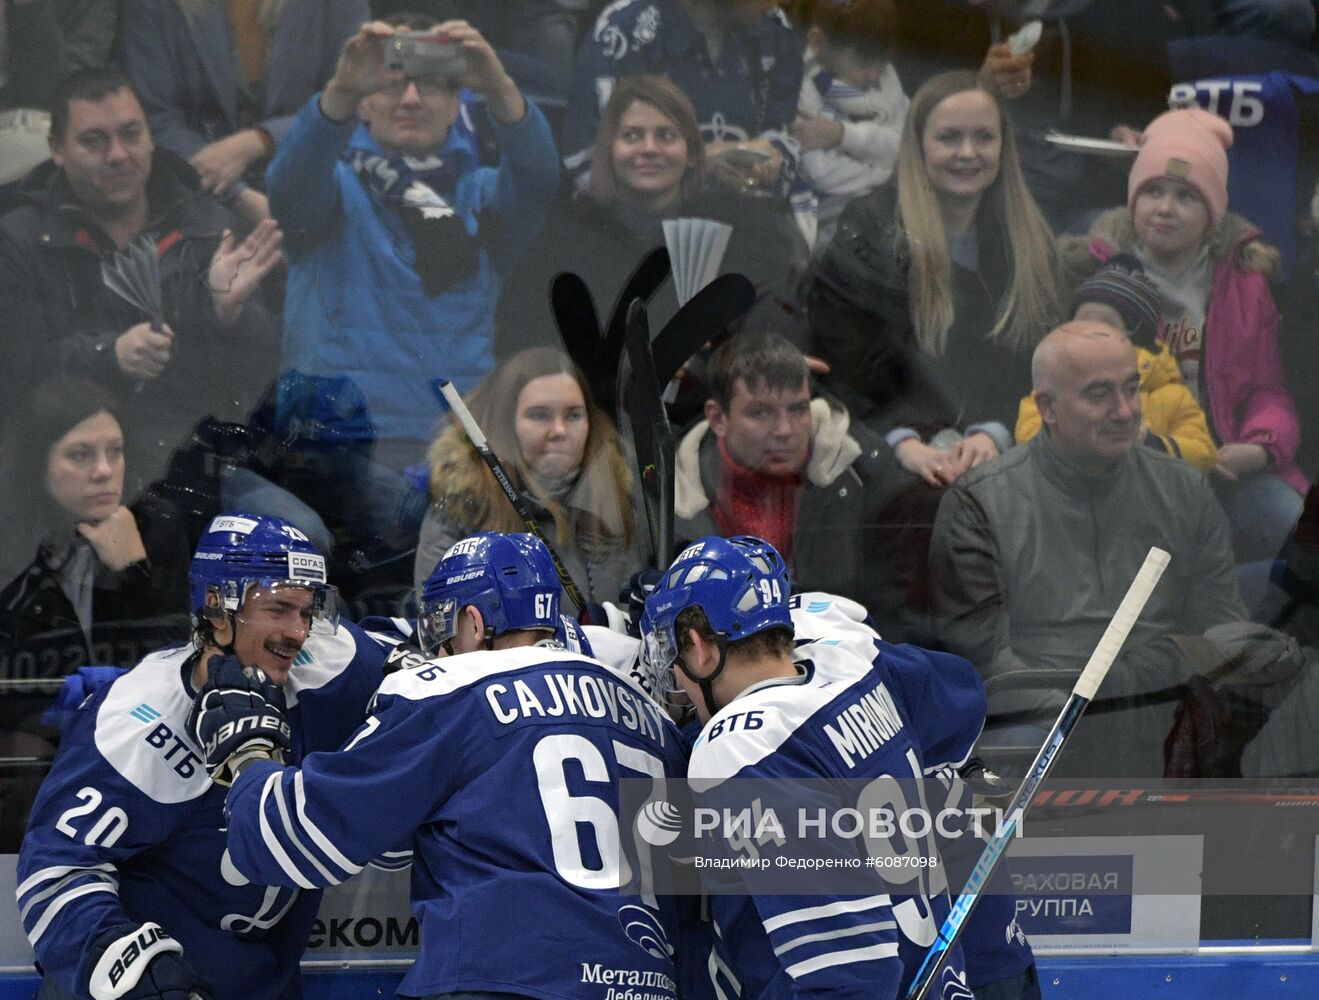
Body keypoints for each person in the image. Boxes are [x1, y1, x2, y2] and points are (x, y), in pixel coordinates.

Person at [201, 531, 688, 1000]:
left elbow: (297, 834)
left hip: (499, 979)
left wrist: (249, 756)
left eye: (441, 625)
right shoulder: (655, 720)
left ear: (473, 622)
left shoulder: (449, 688)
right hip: (650, 982)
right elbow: (711, 896)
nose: (437, 647)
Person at [16, 512, 397, 1000]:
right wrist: (128, 968)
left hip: (268, 981)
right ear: (217, 608)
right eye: (279, 609)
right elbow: (55, 870)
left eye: (307, 611)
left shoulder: (325, 662)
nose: (299, 632)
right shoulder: (137, 717)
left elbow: (422, 662)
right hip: (169, 980)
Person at [638, 534, 981, 1000]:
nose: (675, 677)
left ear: (699, 647)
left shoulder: (742, 747)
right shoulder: (852, 667)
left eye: (675, 657)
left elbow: (851, 973)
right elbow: (964, 699)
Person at [0, 69, 318, 538]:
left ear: (151, 136)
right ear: (57, 149)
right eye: (94, 140)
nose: (118, 155)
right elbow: (16, 367)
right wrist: (108, 356)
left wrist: (228, 319)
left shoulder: (211, 226)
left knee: (302, 533)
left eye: (131, 134)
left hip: (196, 455)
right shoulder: (21, 239)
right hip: (71, 466)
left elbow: (266, 379)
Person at [929, 320, 1250, 775]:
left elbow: (1224, 630)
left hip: (1165, 709)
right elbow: (984, 664)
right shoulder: (979, 505)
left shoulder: (1185, 492)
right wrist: (1086, 721)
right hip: (1042, 726)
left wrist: (1150, 693)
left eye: (1132, 389)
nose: (1125, 411)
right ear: (1048, 408)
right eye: (1099, 394)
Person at [268, 15, 560, 483]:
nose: (409, 99)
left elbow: (540, 176)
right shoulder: (332, 188)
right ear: (363, 106)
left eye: (430, 86)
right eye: (389, 84)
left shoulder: (483, 198)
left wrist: (497, 86)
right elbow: (288, 184)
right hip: (331, 444)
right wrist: (340, 90)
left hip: (454, 446)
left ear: (454, 106)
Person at [1062, 106, 1306, 564]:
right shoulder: (1099, 274)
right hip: (1130, 469)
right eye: (1152, 191)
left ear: (1213, 213)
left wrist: (1260, 446)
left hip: (1224, 465)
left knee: (1290, 523)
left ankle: (1252, 633)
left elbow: (1268, 389)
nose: (1165, 209)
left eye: (1186, 196)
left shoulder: (1245, 282)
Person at [808, 70, 1061, 489]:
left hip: (1004, 451)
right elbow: (844, 362)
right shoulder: (869, 234)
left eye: (983, 137)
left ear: (1003, 145)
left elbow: (1037, 360)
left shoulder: (1030, 241)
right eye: (949, 138)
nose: (968, 152)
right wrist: (900, 441)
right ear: (919, 145)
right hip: (893, 458)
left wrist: (995, 432)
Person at [497, 73, 809, 357]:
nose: (649, 148)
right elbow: (522, 340)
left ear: (690, 153)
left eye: (665, 135)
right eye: (632, 136)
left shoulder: (742, 232)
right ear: (609, 151)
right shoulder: (567, 240)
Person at [673, 332, 911, 630]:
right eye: (760, 413)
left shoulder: (864, 473)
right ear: (718, 418)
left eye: (798, 409)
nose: (784, 430)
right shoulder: (668, 498)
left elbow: (897, 615)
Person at [0, 378, 190, 728]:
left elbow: (179, 663)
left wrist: (135, 572)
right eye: (80, 455)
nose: (104, 471)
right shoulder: (12, 541)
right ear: (37, 464)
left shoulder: (155, 527)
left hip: (136, 732)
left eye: (115, 451)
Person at [415, 347, 639, 606]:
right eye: (539, 415)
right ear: (506, 424)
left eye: (573, 415)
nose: (559, 430)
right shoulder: (462, 500)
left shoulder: (613, 494)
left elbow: (631, 615)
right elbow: (438, 617)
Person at [117, 0, 369, 225]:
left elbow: (356, 96)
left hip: (315, 175)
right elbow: (155, 116)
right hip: (197, 192)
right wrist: (237, 195)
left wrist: (261, 140)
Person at [563, 0, 803, 196]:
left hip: (745, 223)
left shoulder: (776, 31)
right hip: (640, 235)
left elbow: (783, 134)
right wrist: (697, 165)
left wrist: (772, 159)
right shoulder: (626, 31)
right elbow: (586, 165)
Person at [1016, 258, 1218, 473]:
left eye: (1105, 327)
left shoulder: (1172, 395)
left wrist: (1149, 443)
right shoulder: (1056, 386)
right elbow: (1029, 436)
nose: (1089, 333)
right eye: (1080, 323)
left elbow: (1204, 454)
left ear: (1135, 339)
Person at [790, 0, 909, 250]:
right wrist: (890, 171)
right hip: (828, 211)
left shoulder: (887, 79)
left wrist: (842, 135)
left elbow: (908, 149)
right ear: (817, 41)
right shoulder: (799, 86)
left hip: (895, 202)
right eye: (864, 60)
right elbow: (820, 173)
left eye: (883, 61)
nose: (876, 74)